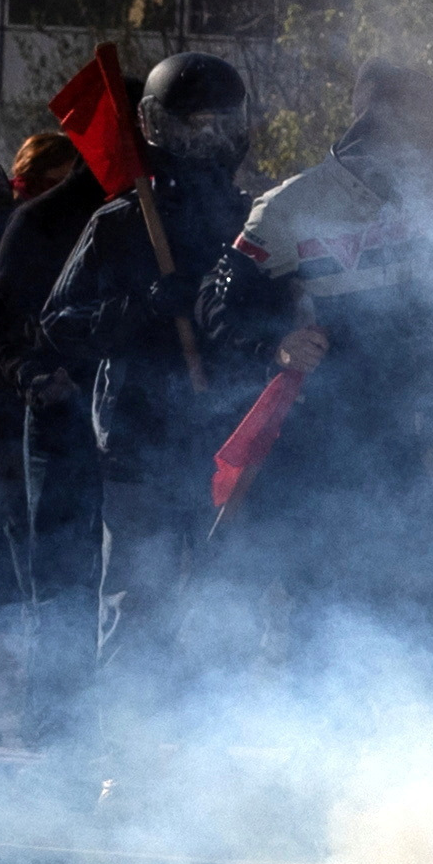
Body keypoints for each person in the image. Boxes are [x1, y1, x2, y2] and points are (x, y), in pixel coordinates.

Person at [205, 56, 433, 665]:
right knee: (330, 592)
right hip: (335, 431)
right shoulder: (291, 204)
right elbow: (220, 304)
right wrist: (275, 345)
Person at [32, 53, 264, 713]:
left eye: (217, 126)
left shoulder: (253, 219)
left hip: (227, 439)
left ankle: (205, 767)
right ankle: (125, 760)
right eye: (192, 126)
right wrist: (141, 308)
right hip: (141, 440)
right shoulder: (123, 221)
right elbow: (59, 321)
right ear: (158, 128)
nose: (207, 142)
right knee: (137, 603)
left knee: (225, 610)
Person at [0, 126, 102, 743]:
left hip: (136, 426)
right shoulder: (40, 221)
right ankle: (56, 716)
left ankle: (111, 716)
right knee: (59, 574)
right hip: (60, 419)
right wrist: (32, 373)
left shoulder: (161, 214)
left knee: (127, 576)